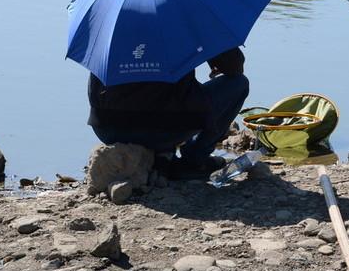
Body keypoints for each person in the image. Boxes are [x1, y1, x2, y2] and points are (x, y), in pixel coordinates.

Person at [87, 47, 250, 178]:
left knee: (160, 98)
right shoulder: (185, 18)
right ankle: (193, 161)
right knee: (238, 84)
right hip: (164, 131)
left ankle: (162, 155)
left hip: (108, 129)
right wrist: (211, 52)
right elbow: (235, 68)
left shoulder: (109, 27)